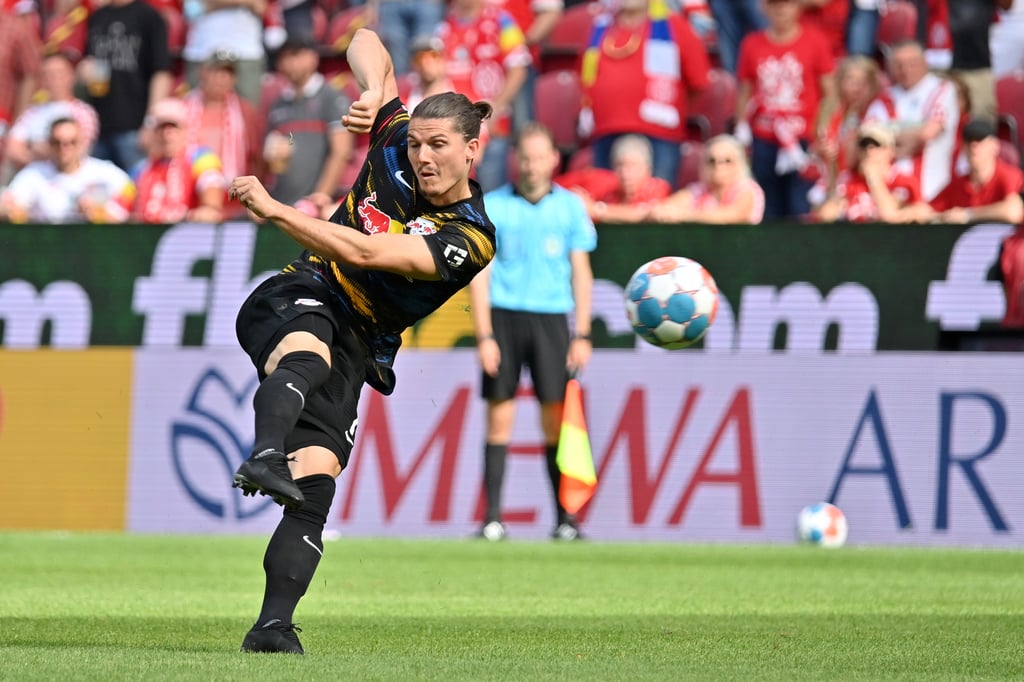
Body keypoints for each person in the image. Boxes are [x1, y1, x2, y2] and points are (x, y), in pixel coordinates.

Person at [228, 28, 496, 654]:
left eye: (439, 145)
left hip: (361, 340)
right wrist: (376, 88)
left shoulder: (470, 236)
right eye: (418, 142)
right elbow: (365, 38)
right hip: (303, 289)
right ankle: (264, 453)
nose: (422, 155)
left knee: (316, 481)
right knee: (307, 351)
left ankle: (272, 627)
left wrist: (276, 210)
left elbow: (369, 252)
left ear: (471, 150)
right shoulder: (394, 136)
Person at [469, 122, 595, 542]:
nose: (531, 165)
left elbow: (581, 272)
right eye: (525, 157)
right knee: (499, 417)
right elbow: (481, 274)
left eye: (539, 157)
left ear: (554, 159)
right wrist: (484, 335)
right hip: (504, 318)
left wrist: (582, 334)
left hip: (552, 319)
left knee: (556, 420)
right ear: (515, 159)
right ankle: (492, 519)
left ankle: (564, 519)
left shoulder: (570, 208)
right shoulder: (494, 207)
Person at [579, 0, 711, 186]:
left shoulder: (675, 26)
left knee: (656, 199)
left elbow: (698, 82)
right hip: (605, 131)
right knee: (604, 198)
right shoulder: (600, 27)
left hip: (659, 134)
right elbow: (584, 76)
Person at [734, 0, 836, 220]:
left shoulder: (815, 41)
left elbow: (830, 94)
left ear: (798, 6)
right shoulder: (751, 43)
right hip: (763, 138)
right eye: (774, 3)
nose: (781, 9)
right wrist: (741, 130)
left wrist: (821, 129)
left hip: (803, 139)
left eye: (786, 3)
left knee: (801, 207)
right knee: (767, 208)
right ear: (764, 7)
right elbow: (745, 92)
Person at [437, 0, 532, 191]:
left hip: (493, 127)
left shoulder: (502, 20)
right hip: (454, 128)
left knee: (489, 196)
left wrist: (495, 109)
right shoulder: (443, 27)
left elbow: (519, 69)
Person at [79, 0, 173, 172]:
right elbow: (87, 62)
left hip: (134, 128)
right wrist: (84, 71)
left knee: (137, 184)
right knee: (99, 187)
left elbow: (161, 73)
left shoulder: (148, 16)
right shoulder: (98, 17)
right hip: (98, 127)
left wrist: (150, 123)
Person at [264, 34, 353, 210]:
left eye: (295, 54)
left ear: (313, 57)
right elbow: (279, 151)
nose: (289, 62)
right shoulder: (278, 105)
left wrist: (320, 196)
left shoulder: (331, 97)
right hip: (282, 204)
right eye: (284, 57)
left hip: (317, 206)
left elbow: (341, 152)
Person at [864, 39, 960, 202]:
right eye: (898, 64)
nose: (905, 70)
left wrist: (888, 140)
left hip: (932, 191)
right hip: (891, 194)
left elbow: (927, 134)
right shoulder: (884, 98)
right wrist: (911, 137)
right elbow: (868, 140)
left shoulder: (942, 89)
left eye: (912, 63)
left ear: (924, 63)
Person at [1, 116, 135, 223]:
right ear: (49, 143)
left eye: (71, 142)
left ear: (81, 143)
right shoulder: (34, 174)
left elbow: (130, 193)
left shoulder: (103, 171)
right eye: (57, 142)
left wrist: (103, 214)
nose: (64, 148)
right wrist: (13, 211)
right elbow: (9, 204)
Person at [132, 98, 227, 224]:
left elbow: (211, 185)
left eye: (173, 128)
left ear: (185, 131)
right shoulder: (142, 168)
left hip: (187, 232)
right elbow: (122, 206)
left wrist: (209, 208)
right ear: (153, 134)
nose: (167, 135)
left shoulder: (200, 157)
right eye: (161, 129)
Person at [811, 122, 929, 223]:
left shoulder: (903, 181)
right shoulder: (850, 179)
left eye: (876, 145)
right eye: (864, 146)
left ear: (889, 150)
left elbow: (889, 215)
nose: (869, 151)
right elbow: (825, 215)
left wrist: (873, 179)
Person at [5, 50, 100, 172]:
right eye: (47, 74)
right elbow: (12, 151)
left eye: (58, 73)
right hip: (33, 177)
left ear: (71, 76)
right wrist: (42, 155)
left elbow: (79, 152)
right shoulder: (32, 112)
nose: (53, 79)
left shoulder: (84, 112)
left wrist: (36, 148)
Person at [648, 134, 766, 224]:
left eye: (727, 161)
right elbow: (665, 208)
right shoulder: (699, 190)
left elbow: (735, 215)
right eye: (711, 160)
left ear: (739, 163)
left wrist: (686, 215)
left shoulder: (748, 189)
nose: (719, 166)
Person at [928, 117, 1024, 225]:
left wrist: (968, 215)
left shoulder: (1010, 176)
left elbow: (1013, 211)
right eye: (969, 141)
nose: (974, 146)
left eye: (980, 140)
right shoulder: (959, 184)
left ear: (994, 145)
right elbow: (929, 209)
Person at [557, 133, 672, 222]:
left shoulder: (658, 187)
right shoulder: (609, 190)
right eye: (620, 166)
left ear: (648, 169)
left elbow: (644, 213)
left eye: (633, 166)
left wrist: (596, 209)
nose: (626, 174)